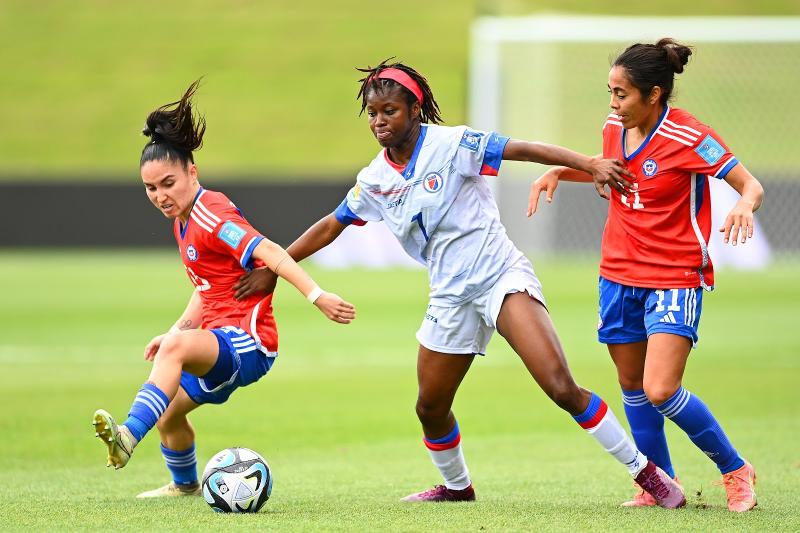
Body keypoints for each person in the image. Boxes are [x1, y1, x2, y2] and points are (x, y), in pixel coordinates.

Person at [234, 60, 685, 506]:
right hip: (449, 296)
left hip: (500, 276)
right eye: (373, 113)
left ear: (415, 108)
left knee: (560, 386)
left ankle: (648, 474)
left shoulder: (453, 144)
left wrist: (588, 163)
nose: (379, 121)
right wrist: (275, 266)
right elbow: (333, 224)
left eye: (389, 111)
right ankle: (456, 487)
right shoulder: (374, 179)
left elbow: (521, 148)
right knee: (429, 407)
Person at [527, 39, 763, 512]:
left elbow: (748, 183)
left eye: (622, 94)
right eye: (610, 92)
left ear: (654, 94)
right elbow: (612, 171)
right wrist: (559, 170)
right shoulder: (615, 127)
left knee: (661, 388)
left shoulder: (690, 136)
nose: (613, 104)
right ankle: (659, 483)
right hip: (617, 273)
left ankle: (736, 470)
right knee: (633, 386)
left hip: (675, 274)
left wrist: (742, 205)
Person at [91, 80, 356, 498]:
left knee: (173, 357)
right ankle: (185, 487)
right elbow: (206, 289)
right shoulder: (183, 221)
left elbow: (268, 249)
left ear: (192, 172)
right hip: (221, 338)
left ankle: (126, 438)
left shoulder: (210, 211)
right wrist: (177, 331)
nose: (160, 196)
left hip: (248, 342)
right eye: (150, 188)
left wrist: (316, 295)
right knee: (169, 415)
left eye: (168, 183)